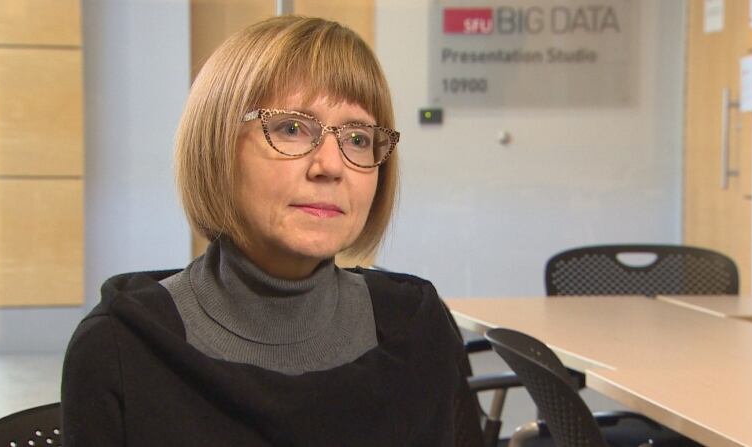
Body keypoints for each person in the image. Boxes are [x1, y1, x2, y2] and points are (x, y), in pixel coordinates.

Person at [61, 15, 483, 446]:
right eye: (292, 128)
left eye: (357, 138)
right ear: (217, 143)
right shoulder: (122, 348)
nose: (331, 166)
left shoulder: (416, 326)